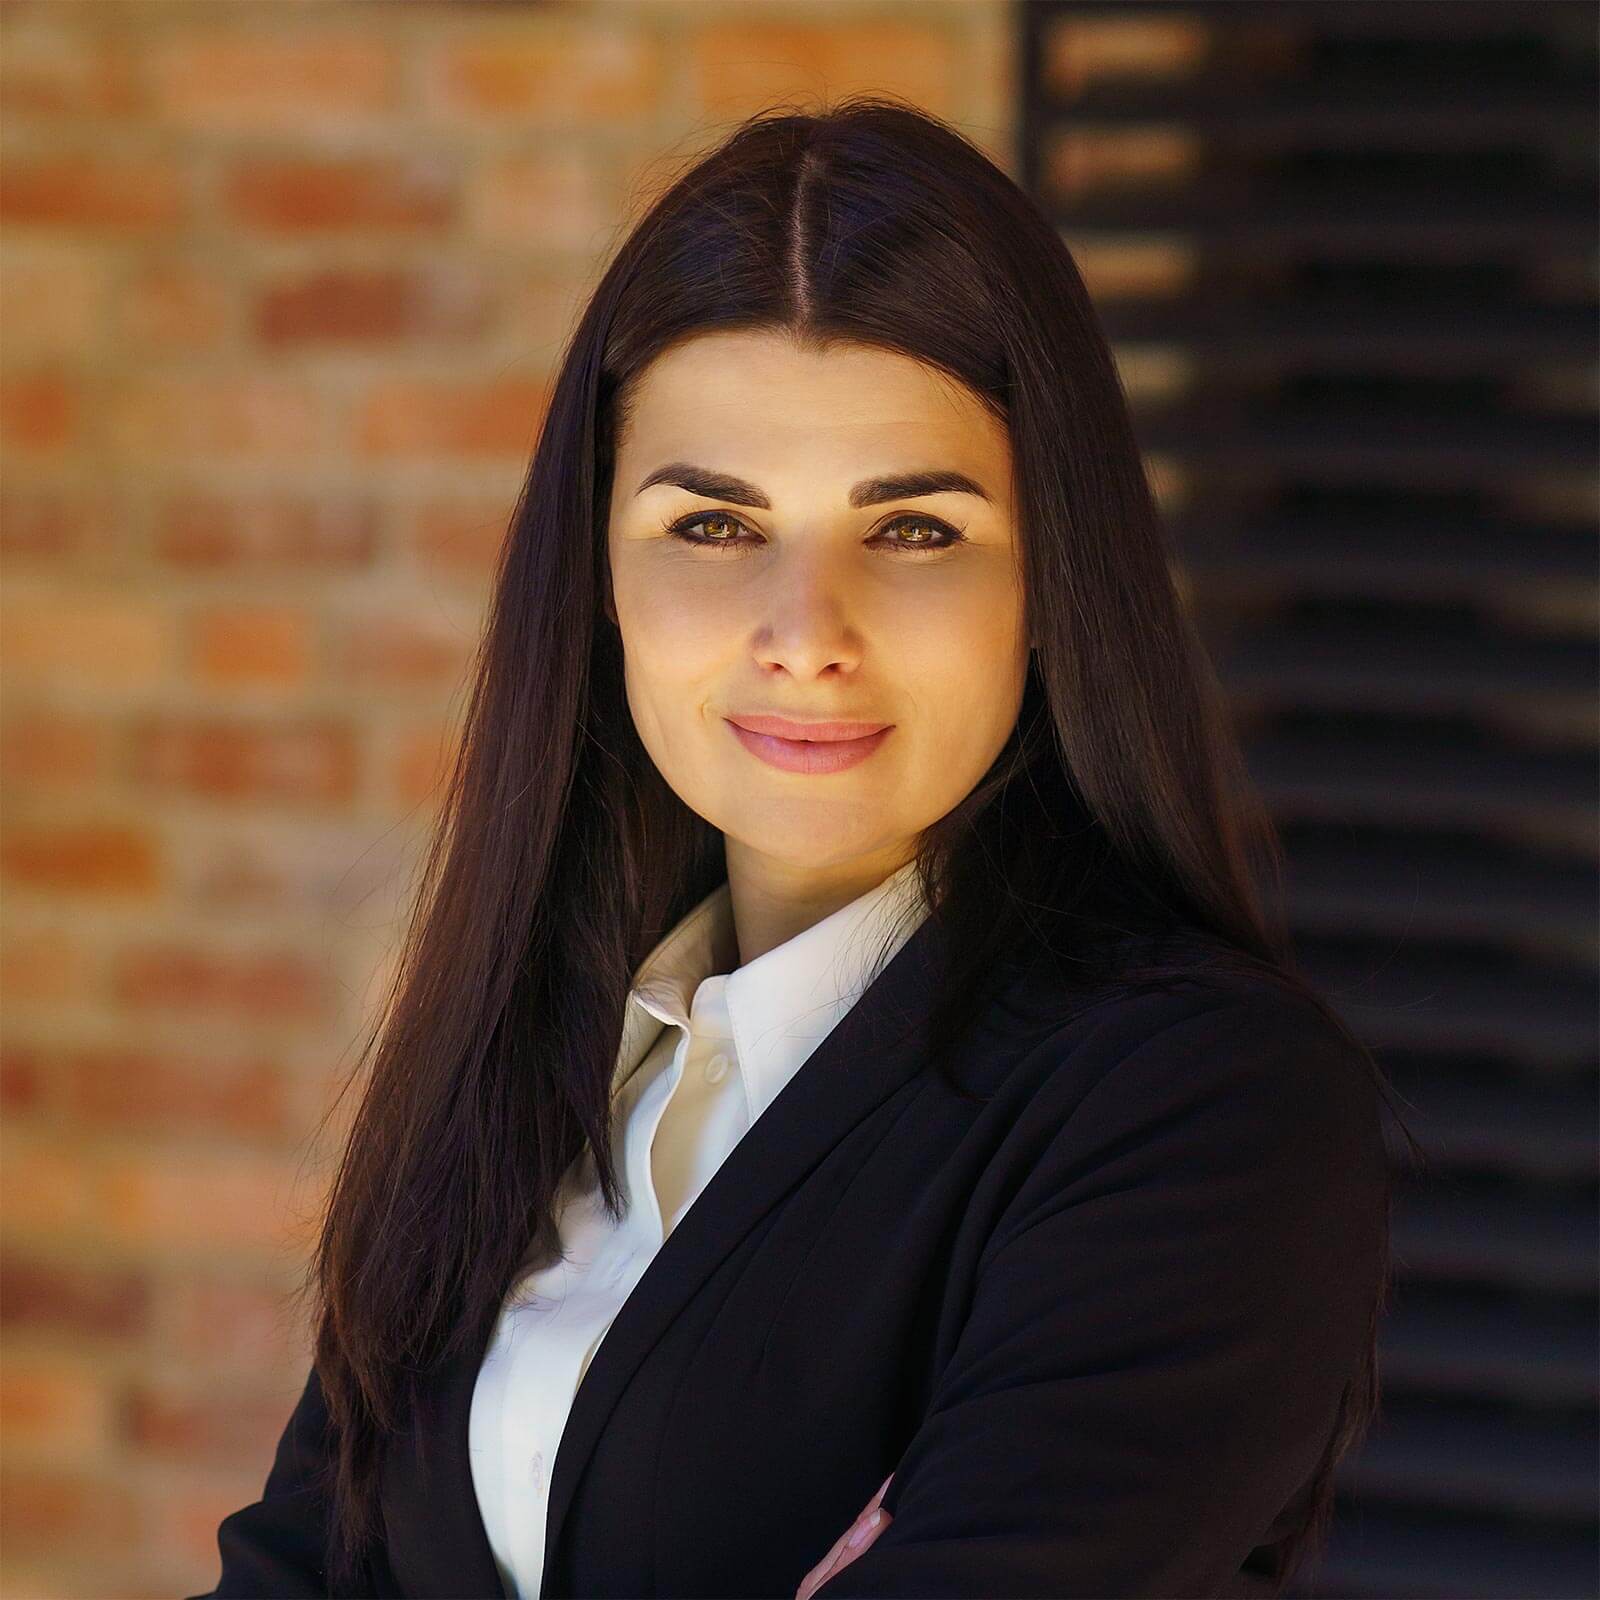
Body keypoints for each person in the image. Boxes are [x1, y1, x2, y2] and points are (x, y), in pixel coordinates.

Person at [191, 97, 1419, 1600]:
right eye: (713, 528)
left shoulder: (1202, 1110)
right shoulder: (532, 1053)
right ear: (599, 582)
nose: (804, 638)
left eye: (913, 533)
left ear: (1051, 582)